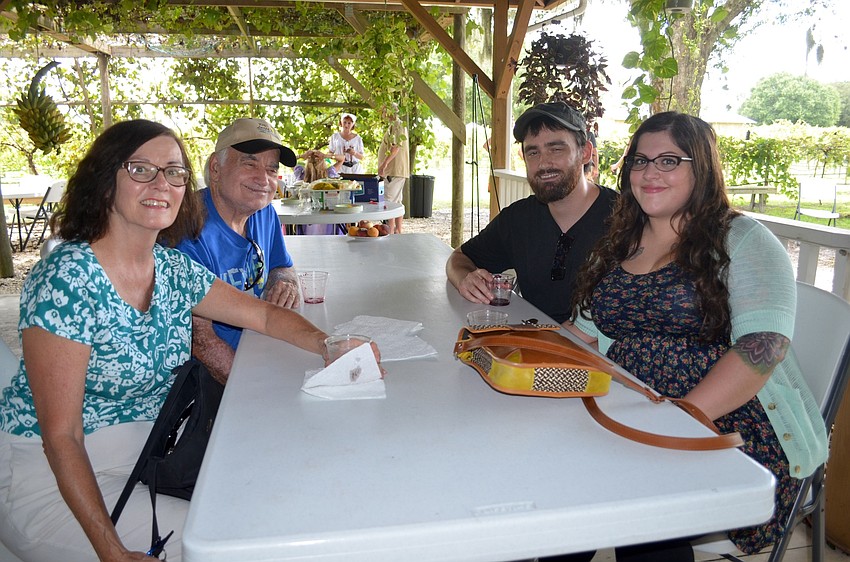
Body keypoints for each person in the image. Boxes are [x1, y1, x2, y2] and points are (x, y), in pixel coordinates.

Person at [0, 119, 382, 562]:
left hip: (156, 452)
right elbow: (61, 437)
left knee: (292, 495)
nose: (162, 183)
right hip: (56, 481)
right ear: (105, 181)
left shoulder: (170, 268)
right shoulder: (69, 279)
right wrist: (112, 551)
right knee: (241, 545)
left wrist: (329, 345)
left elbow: (260, 313)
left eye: (174, 172)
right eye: (141, 169)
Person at [567, 112, 828, 560]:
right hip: (633, 407)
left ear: (701, 167)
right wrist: (517, 354)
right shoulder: (620, 242)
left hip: (729, 426)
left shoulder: (743, 239)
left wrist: (679, 418)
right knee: (557, 478)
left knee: (642, 508)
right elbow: (582, 334)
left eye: (669, 160)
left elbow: (762, 349)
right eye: (640, 160)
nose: (650, 172)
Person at [446, 102, 618, 324]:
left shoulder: (623, 219)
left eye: (556, 149)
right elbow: (459, 257)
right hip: (533, 345)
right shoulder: (519, 219)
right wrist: (465, 279)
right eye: (533, 152)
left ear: (585, 153)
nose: (543, 163)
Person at [176, 118, 302, 383]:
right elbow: (201, 343)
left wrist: (283, 282)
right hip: (210, 378)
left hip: (261, 347)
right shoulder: (187, 232)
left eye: (271, 169)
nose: (263, 179)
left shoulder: (264, 213)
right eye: (249, 163)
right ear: (216, 167)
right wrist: (255, 388)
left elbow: (282, 265)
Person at [377, 103, 409, 234]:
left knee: (389, 201)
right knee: (397, 201)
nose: (383, 114)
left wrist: (384, 164)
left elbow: (395, 147)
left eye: (384, 111)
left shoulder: (397, 125)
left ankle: (390, 231)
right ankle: (398, 230)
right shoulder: (395, 125)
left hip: (394, 171)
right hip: (396, 171)